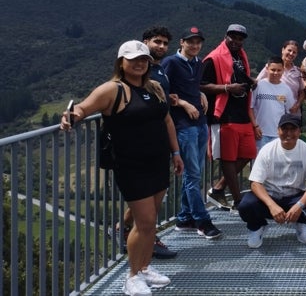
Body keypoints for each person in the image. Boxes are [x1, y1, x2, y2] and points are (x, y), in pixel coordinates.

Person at [60, 40, 183, 296]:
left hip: (159, 161)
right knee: (145, 221)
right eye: (133, 58)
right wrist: (71, 116)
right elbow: (83, 107)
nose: (139, 63)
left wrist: (176, 153)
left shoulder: (156, 87)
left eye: (144, 59)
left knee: (151, 222)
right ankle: (132, 276)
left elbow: (167, 120)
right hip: (131, 165)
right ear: (121, 62)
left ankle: (145, 267)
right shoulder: (112, 90)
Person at [119, 27, 178, 260]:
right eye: (157, 42)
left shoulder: (159, 72)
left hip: (159, 144)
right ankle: (143, 250)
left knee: (153, 199)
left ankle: (125, 232)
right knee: (147, 204)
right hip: (135, 150)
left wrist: (176, 151)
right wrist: (72, 115)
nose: (162, 46)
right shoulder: (123, 82)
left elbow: (164, 110)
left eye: (165, 43)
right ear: (146, 42)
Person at [162, 27, 223, 239]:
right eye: (191, 42)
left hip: (200, 123)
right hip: (183, 125)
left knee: (194, 173)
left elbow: (191, 85)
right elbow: (161, 90)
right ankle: (202, 221)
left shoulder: (197, 63)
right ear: (181, 42)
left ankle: (184, 218)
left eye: (198, 42)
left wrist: (199, 93)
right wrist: (184, 103)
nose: (195, 46)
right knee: (193, 175)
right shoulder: (170, 62)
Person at [238, 113, 306, 248]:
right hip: (271, 196)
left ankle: (302, 222)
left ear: (299, 131)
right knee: (245, 205)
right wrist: (271, 205)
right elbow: (255, 183)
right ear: (278, 130)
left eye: (293, 129)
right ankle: (257, 226)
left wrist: (299, 206)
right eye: (284, 129)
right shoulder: (267, 150)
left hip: (295, 198)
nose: (288, 133)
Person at [201, 24, 258, 211]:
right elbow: (201, 85)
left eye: (240, 38)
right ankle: (238, 200)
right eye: (233, 37)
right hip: (224, 113)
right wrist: (227, 88)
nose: (236, 41)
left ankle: (218, 188)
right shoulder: (214, 58)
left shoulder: (240, 56)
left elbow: (238, 75)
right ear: (225, 36)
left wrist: (250, 81)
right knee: (229, 158)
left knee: (249, 153)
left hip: (242, 113)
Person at [251, 56, 294, 150]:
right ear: (267, 69)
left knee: (276, 163)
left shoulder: (286, 89)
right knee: (259, 163)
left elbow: (289, 112)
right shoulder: (258, 86)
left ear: (283, 70)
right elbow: (250, 107)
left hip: (278, 135)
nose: (276, 73)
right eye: (273, 70)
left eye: (279, 70)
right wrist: (255, 126)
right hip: (260, 134)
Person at [257, 40, 305, 114]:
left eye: (294, 52)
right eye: (289, 50)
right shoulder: (271, 67)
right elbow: (257, 83)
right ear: (283, 50)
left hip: (292, 111)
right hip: (273, 110)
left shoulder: (298, 72)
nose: (291, 53)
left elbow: (302, 92)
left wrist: (297, 105)